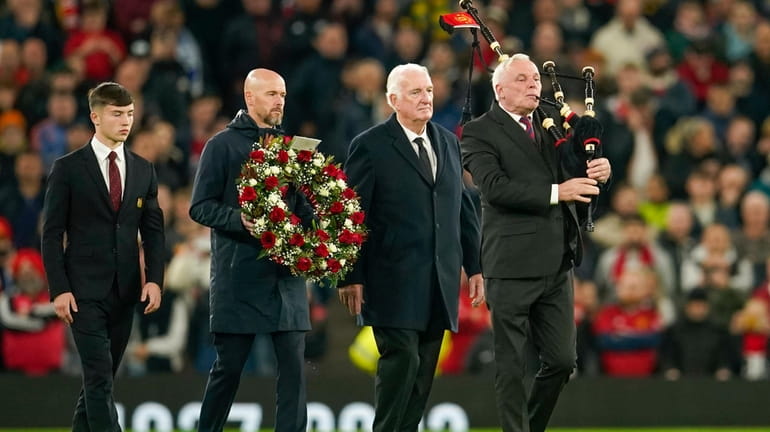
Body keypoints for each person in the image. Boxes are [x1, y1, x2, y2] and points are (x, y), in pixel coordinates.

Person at [460, 53, 611, 432]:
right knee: (510, 364)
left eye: (535, 80)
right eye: (523, 80)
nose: (534, 86)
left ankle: (530, 426)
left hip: (557, 261)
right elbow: (494, 189)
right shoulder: (480, 131)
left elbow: (578, 177)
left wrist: (601, 173)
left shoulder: (552, 126)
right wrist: (559, 191)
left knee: (562, 360)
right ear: (499, 90)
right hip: (510, 263)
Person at [337, 63, 484, 432]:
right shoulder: (369, 145)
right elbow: (352, 214)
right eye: (416, 92)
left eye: (429, 90)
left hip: (439, 281)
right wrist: (350, 274)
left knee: (421, 376)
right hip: (391, 281)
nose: (426, 98)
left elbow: (462, 208)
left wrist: (476, 265)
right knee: (401, 361)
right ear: (393, 100)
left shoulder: (449, 142)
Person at [189, 68, 314, 432]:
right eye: (272, 94)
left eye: (283, 95)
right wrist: (238, 218)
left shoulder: (295, 147)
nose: (280, 102)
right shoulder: (222, 145)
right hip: (239, 276)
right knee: (228, 369)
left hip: (285, 277)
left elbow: (303, 208)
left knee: (294, 372)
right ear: (249, 98)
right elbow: (199, 206)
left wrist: (319, 227)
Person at [41, 81, 165, 431]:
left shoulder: (144, 169)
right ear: (95, 116)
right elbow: (51, 234)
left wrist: (154, 280)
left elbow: (154, 232)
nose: (126, 121)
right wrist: (58, 288)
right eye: (117, 114)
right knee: (99, 379)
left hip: (125, 292)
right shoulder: (67, 168)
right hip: (82, 293)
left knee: (101, 380)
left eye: (129, 114)